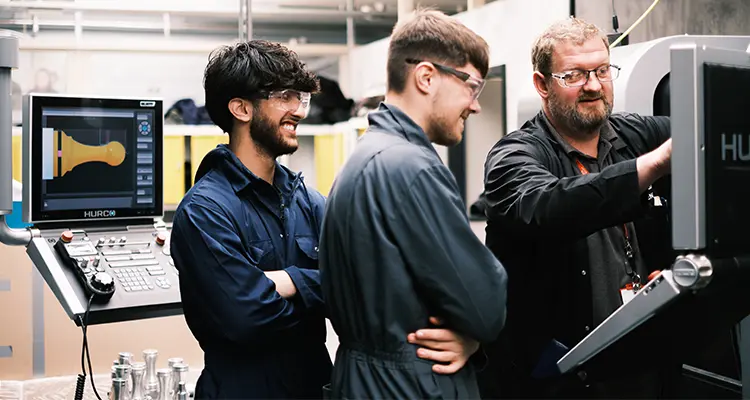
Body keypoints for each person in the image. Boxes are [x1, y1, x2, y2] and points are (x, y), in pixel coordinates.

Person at [171, 39, 487, 399]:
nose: (300, 111)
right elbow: (244, 318)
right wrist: (325, 287)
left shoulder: (309, 201)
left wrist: (290, 282)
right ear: (241, 108)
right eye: (285, 97)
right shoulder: (204, 212)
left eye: (300, 98)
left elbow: (369, 284)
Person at [477, 17, 678, 399]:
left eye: (602, 70)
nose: (593, 85)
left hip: (642, 366)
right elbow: (548, 206)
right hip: (559, 379)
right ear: (541, 84)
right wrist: (651, 166)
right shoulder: (514, 156)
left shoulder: (635, 135)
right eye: (575, 75)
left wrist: (670, 267)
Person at [319, 9, 509, 399]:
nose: (474, 105)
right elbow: (485, 308)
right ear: (426, 77)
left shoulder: (366, 157)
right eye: (472, 86)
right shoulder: (413, 168)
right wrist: (473, 335)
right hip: (411, 385)